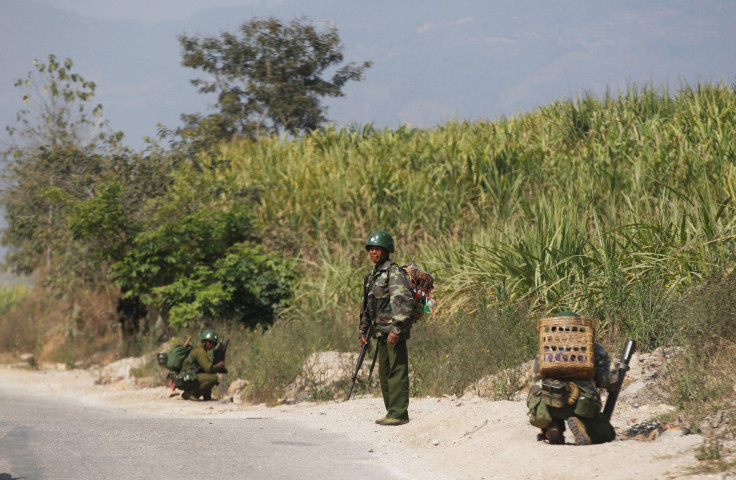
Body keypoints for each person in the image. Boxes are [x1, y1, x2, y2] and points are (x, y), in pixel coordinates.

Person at [526, 312, 619, 445]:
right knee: (607, 433)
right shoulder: (593, 348)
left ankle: (551, 425)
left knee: (539, 393)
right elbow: (611, 380)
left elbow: (532, 382)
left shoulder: (547, 347)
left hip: (548, 401)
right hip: (581, 403)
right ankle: (581, 424)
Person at [359, 230, 415, 426]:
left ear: (386, 251)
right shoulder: (372, 276)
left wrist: (396, 329)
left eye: (378, 249)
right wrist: (363, 332)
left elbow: (403, 301)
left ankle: (399, 413)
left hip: (393, 332)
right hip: (379, 332)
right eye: (371, 249)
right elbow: (367, 307)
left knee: (397, 371)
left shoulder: (394, 272)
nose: (374, 252)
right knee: (384, 373)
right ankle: (391, 411)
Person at [177, 329, 227, 401]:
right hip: (186, 378)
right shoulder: (200, 351)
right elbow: (209, 368)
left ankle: (206, 397)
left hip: (188, 377)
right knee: (213, 377)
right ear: (206, 342)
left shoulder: (200, 350)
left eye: (213, 344)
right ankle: (191, 393)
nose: (212, 346)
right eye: (211, 343)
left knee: (209, 375)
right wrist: (220, 365)